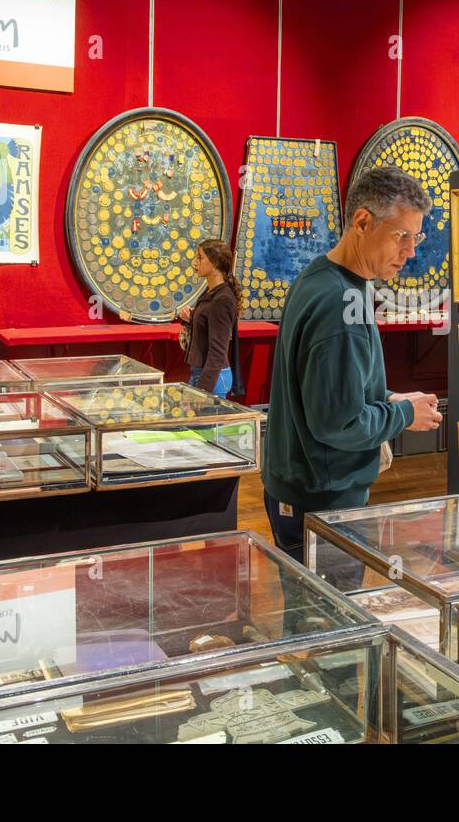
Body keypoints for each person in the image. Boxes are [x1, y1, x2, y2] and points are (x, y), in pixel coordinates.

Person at [262, 166, 442, 567]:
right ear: (363, 221)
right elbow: (338, 424)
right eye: (402, 236)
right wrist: (402, 414)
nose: (410, 251)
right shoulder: (337, 304)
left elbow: (329, 393)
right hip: (322, 503)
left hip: (303, 492)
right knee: (327, 622)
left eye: (417, 237)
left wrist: (392, 398)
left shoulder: (322, 279)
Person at [179, 238, 240, 397]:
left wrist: (203, 392)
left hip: (212, 377)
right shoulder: (212, 292)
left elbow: (217, 352)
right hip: (203, 372)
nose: (195, 263)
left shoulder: (222, 299)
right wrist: (191, 319)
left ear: (214, 263)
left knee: (207, 422)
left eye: (200, 258)